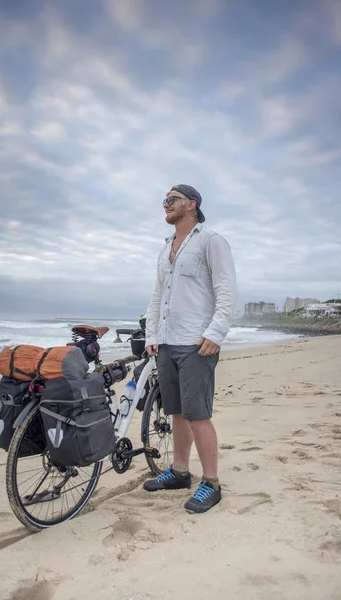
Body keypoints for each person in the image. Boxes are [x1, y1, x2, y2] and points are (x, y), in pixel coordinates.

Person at [144, 184, 237, 514]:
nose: (165, 205)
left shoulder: (210, 241)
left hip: (197, 343)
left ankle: (211, 483)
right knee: (177, 412)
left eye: (171, 200)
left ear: (191, 204)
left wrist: (216, 332)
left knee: (198, 413)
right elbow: (158, 296)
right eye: (164, 201)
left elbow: (226, 290)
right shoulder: (166, 247)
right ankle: (180, 473)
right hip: (167, 342)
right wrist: (152, 334)